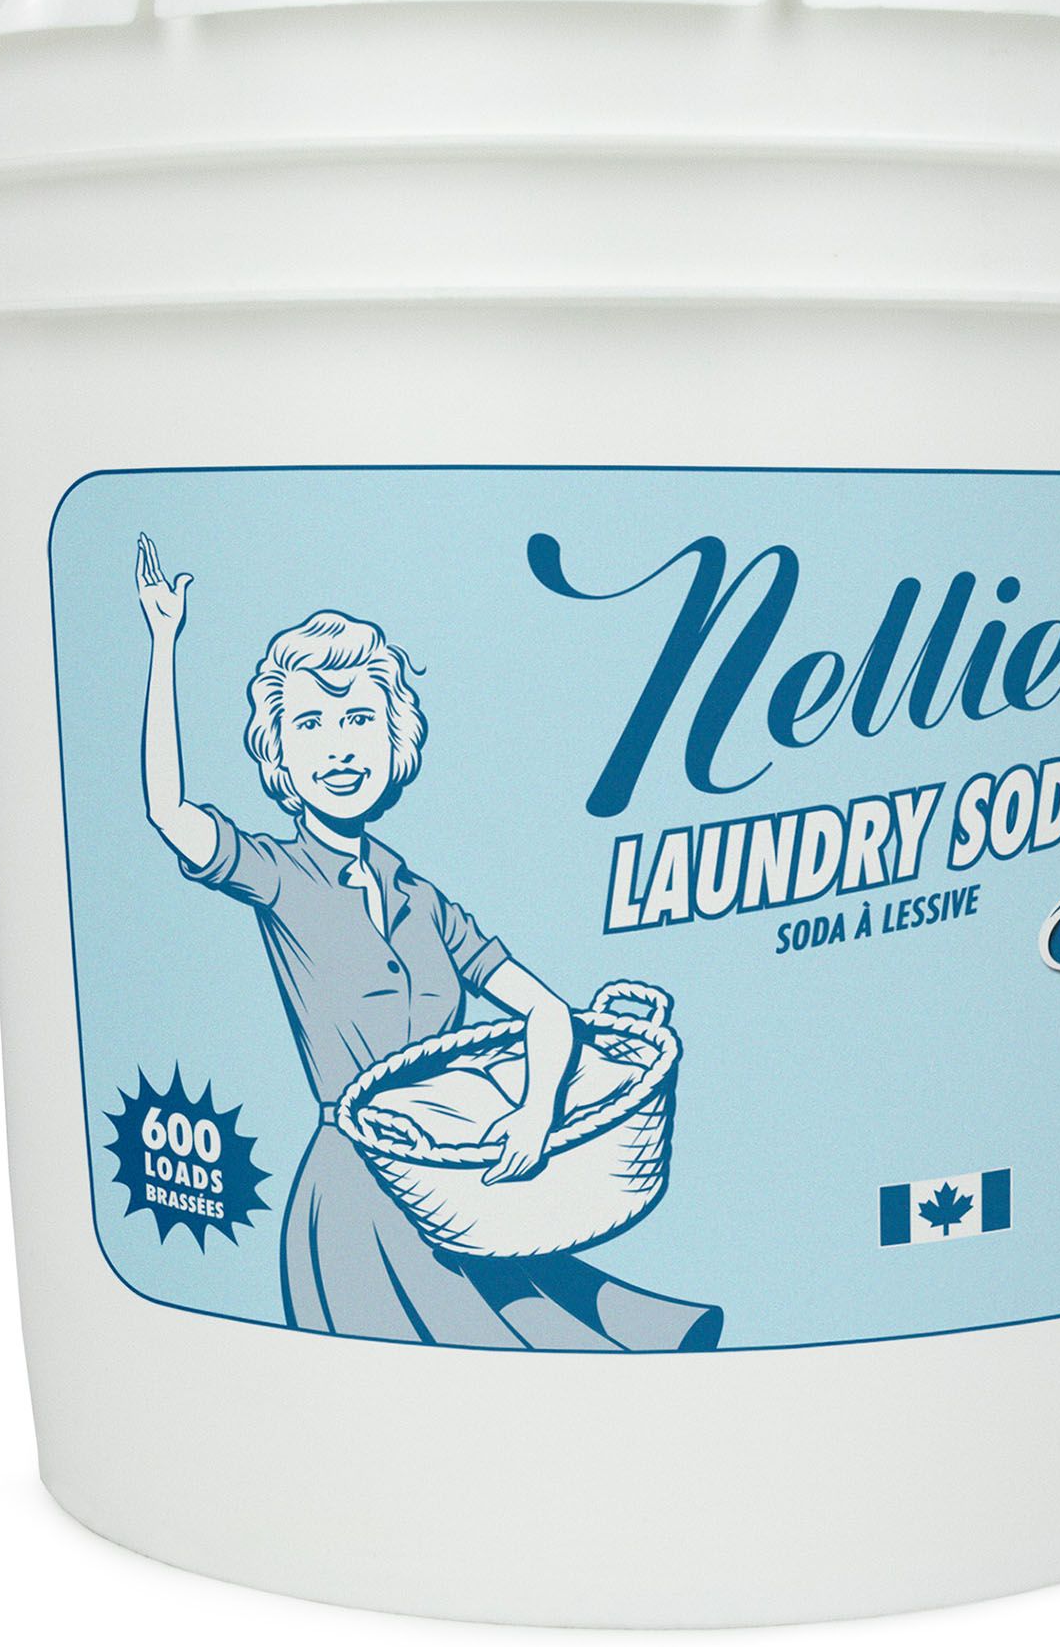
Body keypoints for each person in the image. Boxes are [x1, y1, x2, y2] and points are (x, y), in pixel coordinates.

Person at [133, 535, 721, 1351]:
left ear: (394, 739)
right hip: (363, 1201)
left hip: (464, 1184)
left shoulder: (422, 899)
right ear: (279, 757)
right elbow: (170, 815)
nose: (339, 746)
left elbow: (545, 1014)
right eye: (310, 723)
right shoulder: (280, 876)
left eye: (359, 719)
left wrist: (540, 1111)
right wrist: (164, 640)